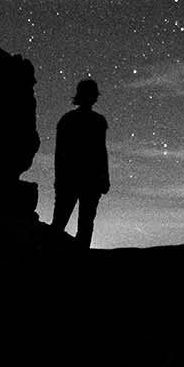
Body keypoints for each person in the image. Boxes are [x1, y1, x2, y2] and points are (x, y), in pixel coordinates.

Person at [51, 78, 110, 246]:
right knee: (81, 224)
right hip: (84, 179)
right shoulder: (97, 121)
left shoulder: (68, 120)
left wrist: (59, 180)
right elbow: (100, 152)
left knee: (65, 223)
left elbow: (60, 154)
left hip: (75, 179)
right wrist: (104, 177)